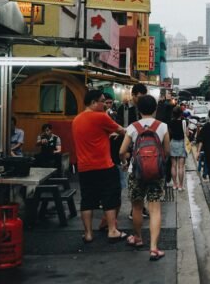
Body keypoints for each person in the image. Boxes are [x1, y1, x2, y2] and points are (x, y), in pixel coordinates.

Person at [119, 95, 170, 261]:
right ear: (155, 109)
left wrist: (126, 162)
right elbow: (167, 152)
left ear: (138, 109)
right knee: (155, 210)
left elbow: (121, 151)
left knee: (137, 207)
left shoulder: (132, 127)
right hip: (156, 173)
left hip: (136, 172)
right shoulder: (162, 126)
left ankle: (138, 237)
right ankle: (154, 248)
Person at [72, 90, 127, 244]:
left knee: (87, 200)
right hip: (104, 165)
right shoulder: (101, 117)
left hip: (84, 167)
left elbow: (92, 136)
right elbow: (121, 130)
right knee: (110, 197)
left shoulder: (76, 119)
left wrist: (106, 135)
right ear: (94, 102)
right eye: (103, 101)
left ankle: (88, 234)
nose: (105, 104)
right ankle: (112, 230)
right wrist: (116, 133)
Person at [168, 106, 187, 190]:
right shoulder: (184, 122)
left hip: (172, 143)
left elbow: (169, 134)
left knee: (173, 165)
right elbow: (187, 134)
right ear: (181, 113)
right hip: (182, 143)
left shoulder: (170, 122)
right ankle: (181, 185)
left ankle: (175, 184)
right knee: (181, 166)